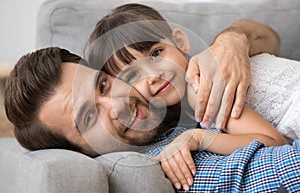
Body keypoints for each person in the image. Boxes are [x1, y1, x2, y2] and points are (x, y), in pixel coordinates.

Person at [4, 47, 300, 192]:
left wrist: (232, 40)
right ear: (83, 152)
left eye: (103, 85)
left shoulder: (170, 98)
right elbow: (279, 171)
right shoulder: (171, 166)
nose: (120, 103)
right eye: (89, 117)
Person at [85, 3, 280, 130]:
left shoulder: (199, 86)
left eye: (155, 54)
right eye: (132, 75)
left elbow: (273, 143)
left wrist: (200, 139)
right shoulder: (173, 118)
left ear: (179, 42)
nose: (153, 76)